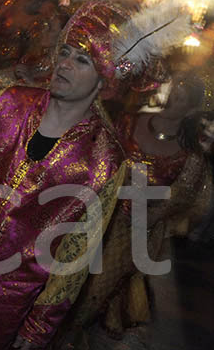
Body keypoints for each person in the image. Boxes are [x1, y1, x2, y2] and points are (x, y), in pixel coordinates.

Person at [0, 0, 190, 350]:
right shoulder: (8, 103)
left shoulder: (104, 160)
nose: (64, 64)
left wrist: (38, 328)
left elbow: (75, 255)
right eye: (65, 52)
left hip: (1, 303)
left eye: (82, 60)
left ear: (104, 78)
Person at [61, 73, 213, 344]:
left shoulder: (188, 157)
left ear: (190, 109)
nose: (170, 101)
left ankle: (65, 336)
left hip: (129, 234)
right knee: (63, 279)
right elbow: (100, 152)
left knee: (91, 294)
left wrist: (148, 214)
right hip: (92, 214)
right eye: (171, 93)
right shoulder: (129, 122)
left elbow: (181, 198)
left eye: (180, 99)